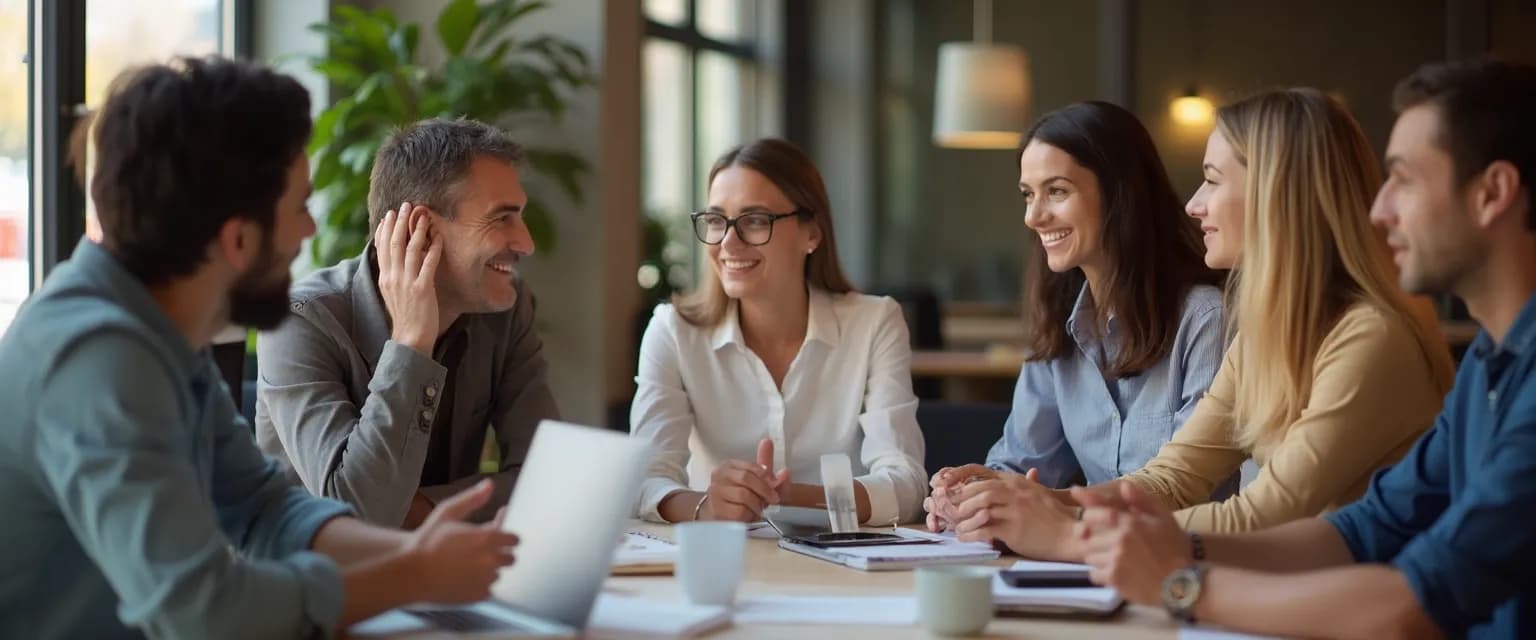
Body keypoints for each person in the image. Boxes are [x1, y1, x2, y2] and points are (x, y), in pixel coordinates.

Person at [0, 57, 517, 639]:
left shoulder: (159, 330)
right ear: (239, 238)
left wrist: (419, 554)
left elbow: (263, 508)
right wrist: (415, 573)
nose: (309, 231)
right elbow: (203, 610)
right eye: (299, 208)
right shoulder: (99, 360)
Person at [1078, 58, 1536, 640]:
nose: (1379, 210)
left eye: (1404, 180)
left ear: (1492, 193)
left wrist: (1177, 580)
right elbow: (1361, 530)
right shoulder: (1489, 364)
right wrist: (1149, 542)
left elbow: (1414, 603)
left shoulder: (1393, 340)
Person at [930, 88, 1456, 561]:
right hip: (1292, 594)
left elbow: (1263, 516)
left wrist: (1071, 533)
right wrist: (1030, 502)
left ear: (1275, 194)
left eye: (1211, 180)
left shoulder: (1371, 337)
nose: (1193, 204)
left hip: (1354, 605)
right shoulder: (1264, 336)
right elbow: (1171, 479)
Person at [921, 101, 1228, 533]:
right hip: (1089, 559)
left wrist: (1038, 501)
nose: (1033, 216)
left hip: (1188, 559)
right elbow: (1022, 465)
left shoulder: (1206, 319)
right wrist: (969, 493)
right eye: (1028, 194)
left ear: (1121, 193)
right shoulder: (1058, 325)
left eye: (1057, 192)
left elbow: (1188, 489)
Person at [256, 118, 559, 528]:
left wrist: (422, 510)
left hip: (445, 563)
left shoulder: (506, 309)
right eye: (502, 218)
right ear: (421, 230)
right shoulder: (298, 321)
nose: (526, 242)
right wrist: (412, 344)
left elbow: (550, 474)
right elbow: (359, 515)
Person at [632, 138, 927, 525]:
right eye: (717, 220)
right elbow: (643, 480)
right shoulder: (672, 331)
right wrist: (708, 507)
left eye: (755, 220)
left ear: (812, 234)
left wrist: (788, 498)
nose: (728, 242)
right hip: (724, 550)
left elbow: (906, 484)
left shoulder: (874, 323)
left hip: (840, 556)